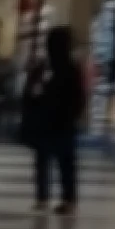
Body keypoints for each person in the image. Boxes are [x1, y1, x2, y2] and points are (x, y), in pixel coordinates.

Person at [25, 25, 86, 215]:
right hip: (63, 123)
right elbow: (79, 97)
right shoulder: (71, 68)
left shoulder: (44, 67)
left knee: (44, 161)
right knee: (65, 163)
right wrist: (73, 115)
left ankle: (43, 198)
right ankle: (68, 199)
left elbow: (30, 92)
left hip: (47, 121)